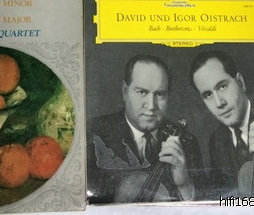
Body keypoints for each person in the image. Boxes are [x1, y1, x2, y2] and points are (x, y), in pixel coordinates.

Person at [87, 54, 204, 204]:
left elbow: (206, 207)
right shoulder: (93, 132)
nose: (151, 105)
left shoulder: (187, 143)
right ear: (125, 91)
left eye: (160, 94)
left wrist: (184, 184)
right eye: (142, 92)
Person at [189, 50, 254, 197]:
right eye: (208, 95)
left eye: (222, 86)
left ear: (240, 83)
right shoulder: (216, 141)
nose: (219, 103)